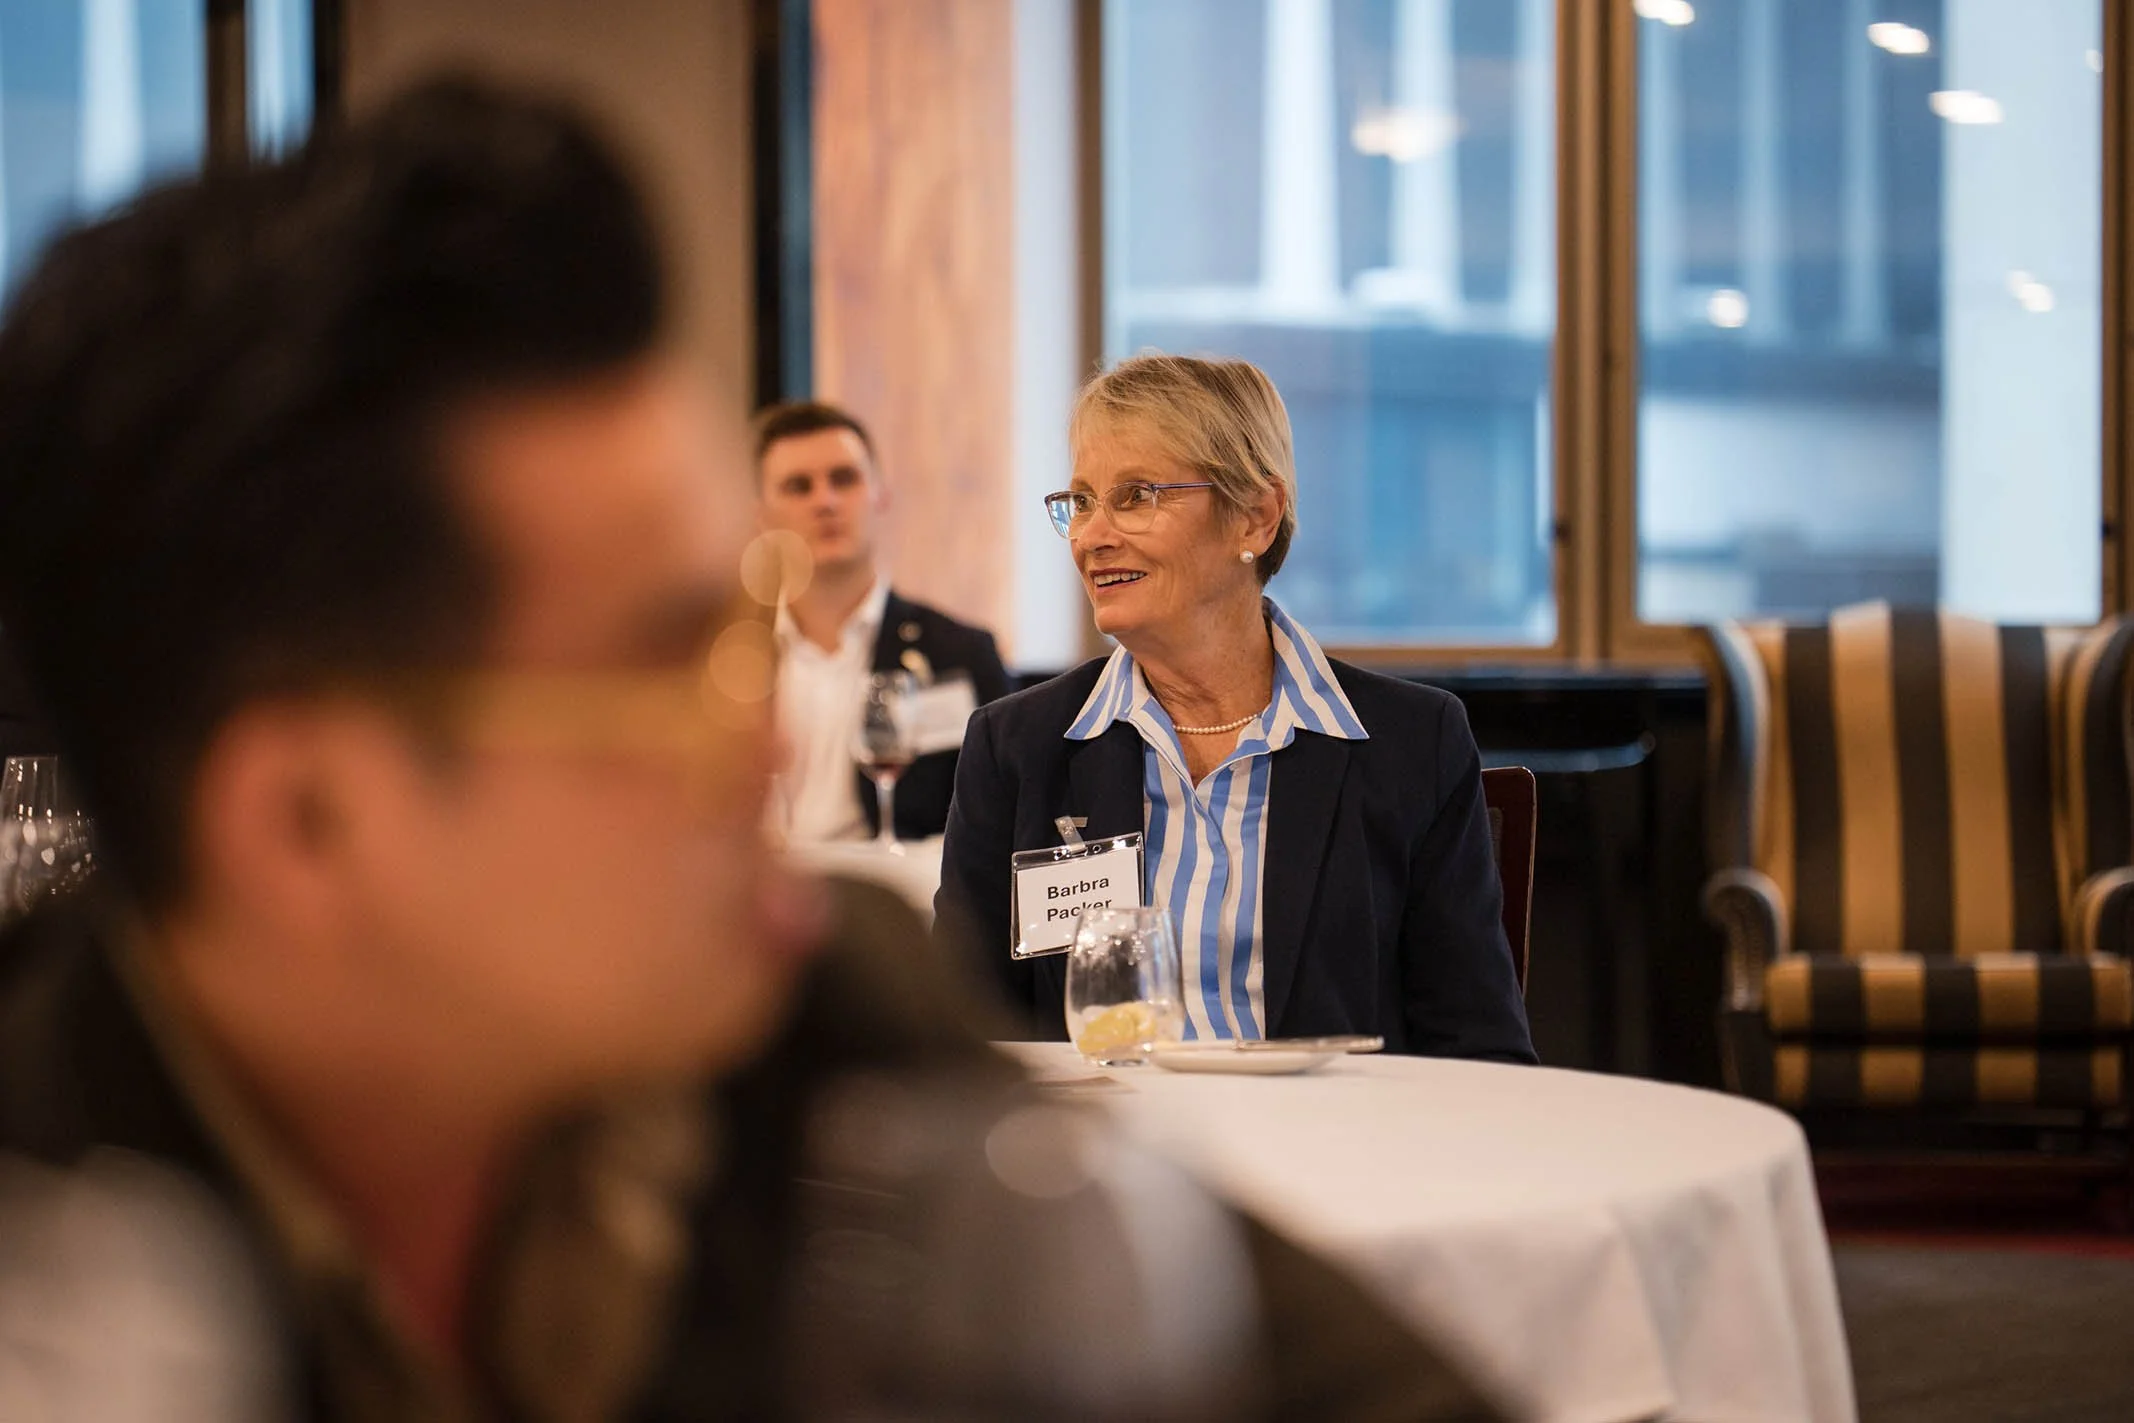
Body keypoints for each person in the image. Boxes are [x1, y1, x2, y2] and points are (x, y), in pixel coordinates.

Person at [0, 81, 1503, 1422]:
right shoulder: (49, 1252)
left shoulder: (807, 1006)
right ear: (305, 818)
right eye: (667, 662)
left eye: (748, 623)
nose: (776, 727)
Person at [938, 354, 1537, 1060]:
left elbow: (1480, 1049)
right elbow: (957, 1038)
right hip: (1103, 1157)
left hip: (1335, 1158)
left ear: (1254, 518)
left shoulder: (1412, 743)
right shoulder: (1018, 746)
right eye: (1082, 501)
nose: (1090, 535)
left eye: (1135, 496)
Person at [754, 401, 1010, 842]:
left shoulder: (959, 653)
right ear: (761, 513)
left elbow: (1005, 818)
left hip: (902, 899)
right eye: (799, 487)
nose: (825, 501)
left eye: (843, 479)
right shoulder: (719, 658)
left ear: (880, 493)